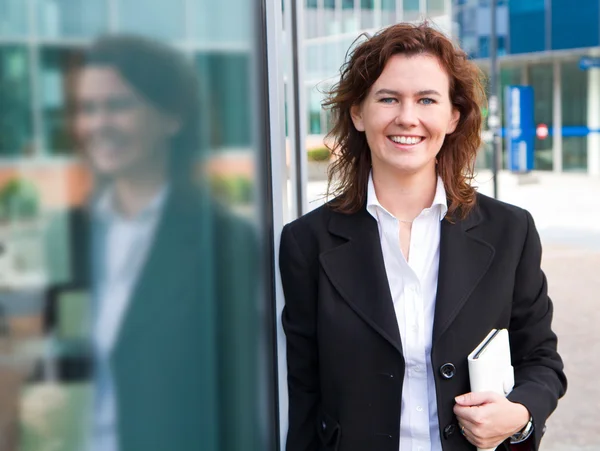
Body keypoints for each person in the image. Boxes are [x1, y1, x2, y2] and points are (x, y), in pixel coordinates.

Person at [279, 23, 566, 451]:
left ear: (453, 116)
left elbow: (542, 361)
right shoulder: (307, 241)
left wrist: (519, 414)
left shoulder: (510, 230)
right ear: (358, 113)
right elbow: (304, 392)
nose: (407, 117)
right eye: (388, 98)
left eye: (426, 99)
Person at [45, 35, 257, 451]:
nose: (97, 124)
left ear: (172, 117)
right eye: (88, 109)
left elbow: (239, 400)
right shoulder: (66, 235)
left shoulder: (222, 240)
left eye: (118, 105)